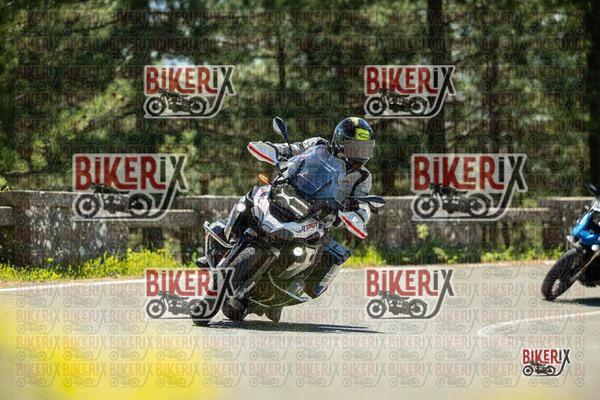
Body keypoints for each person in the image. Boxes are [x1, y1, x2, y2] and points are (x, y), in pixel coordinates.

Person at [196, 117, 377, 306]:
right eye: (355, 147)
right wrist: (273, 150)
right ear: (340, 141)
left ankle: (292, 285)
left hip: (318, 218)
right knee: (250, 200)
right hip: (288, 193)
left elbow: (362, 201)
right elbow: (293, 149)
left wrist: (357, 215)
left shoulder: (363, 177)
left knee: (318, 249)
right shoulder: (318, 145)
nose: (360, 153)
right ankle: (223, 242)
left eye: (364, 148)